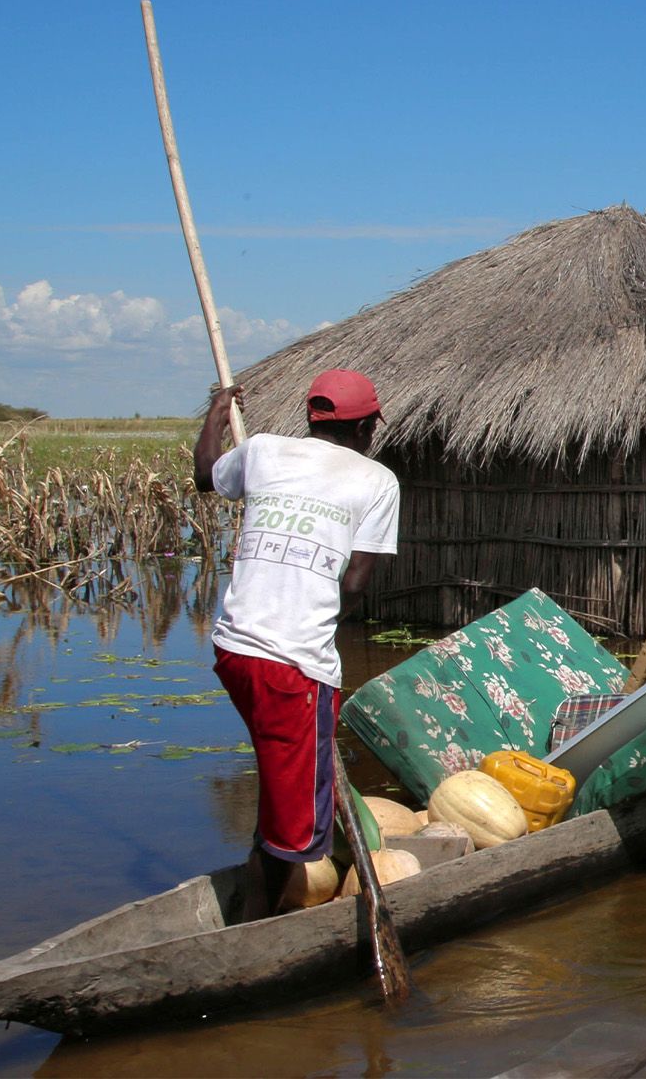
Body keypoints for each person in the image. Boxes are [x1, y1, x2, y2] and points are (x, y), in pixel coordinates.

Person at [193, 370, 400, 920]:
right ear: (363, 427)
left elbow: (205, 477)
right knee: (292, 827)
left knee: (286, 778)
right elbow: (354, 584)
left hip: (234, 650)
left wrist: (217, 411)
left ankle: (270, 874)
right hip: (293, 667)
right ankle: (257, 927)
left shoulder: (261, 451)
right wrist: (322, 622)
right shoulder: (377, 481)